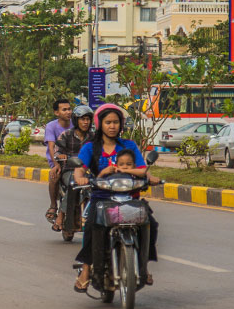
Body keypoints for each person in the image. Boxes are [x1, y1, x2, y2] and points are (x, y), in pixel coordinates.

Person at [73, 103, 160, 293]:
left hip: (130, 197)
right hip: (102, 198)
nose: (112, 126)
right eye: (108, 122)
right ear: (100, 124)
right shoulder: (90, 148)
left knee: (150, 224)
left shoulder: (128, 145)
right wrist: (82, 177)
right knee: (91, 228)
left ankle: (143, 266)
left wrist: (142, 175)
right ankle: (86, 270)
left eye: (116, 122)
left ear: (121, 125)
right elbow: (79, 169)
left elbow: (142, 168)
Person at [53, 105, 93, 232]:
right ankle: (61, 216)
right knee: (73, 182)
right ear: (76, 120)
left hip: (89, 171)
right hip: (70, 170)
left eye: (87, 119)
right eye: (82, 119)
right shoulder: (66, 135)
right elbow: (57, 151)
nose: (85, 122)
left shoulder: (94, 137)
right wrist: (61, 155)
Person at [44, 99, 73, 224]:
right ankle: (53, 205)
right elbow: (51, 146)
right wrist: (55, 164)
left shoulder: (77, 125)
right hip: (58, 159)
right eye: (64, 109)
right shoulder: (51, 126)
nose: (68, 112)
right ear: (57, 113)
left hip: (74, 160)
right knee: (54, 176)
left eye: (69, 109)